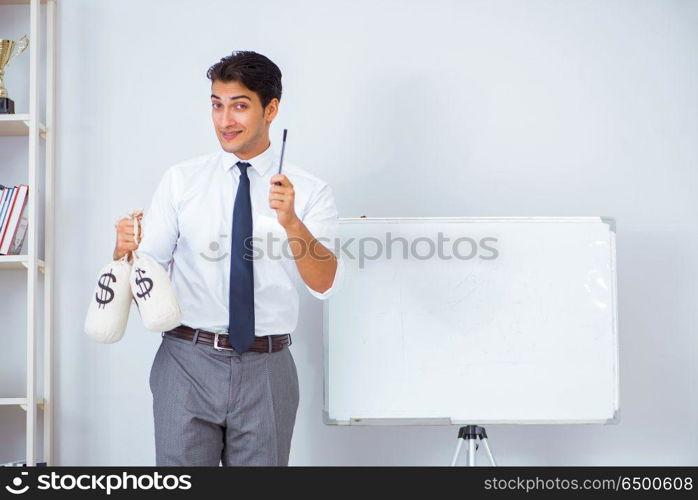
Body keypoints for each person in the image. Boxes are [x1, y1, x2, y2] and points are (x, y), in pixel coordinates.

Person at [112, 51, 344, 466]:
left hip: (267, 369)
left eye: (239, 106)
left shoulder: (309, 191)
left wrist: (291, 222)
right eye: (217, 105)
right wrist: (123, 253)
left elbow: (324, 281)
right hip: (186, 361)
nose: (225, 121)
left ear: (270, 109)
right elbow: (146, 270)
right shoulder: (181, 181)